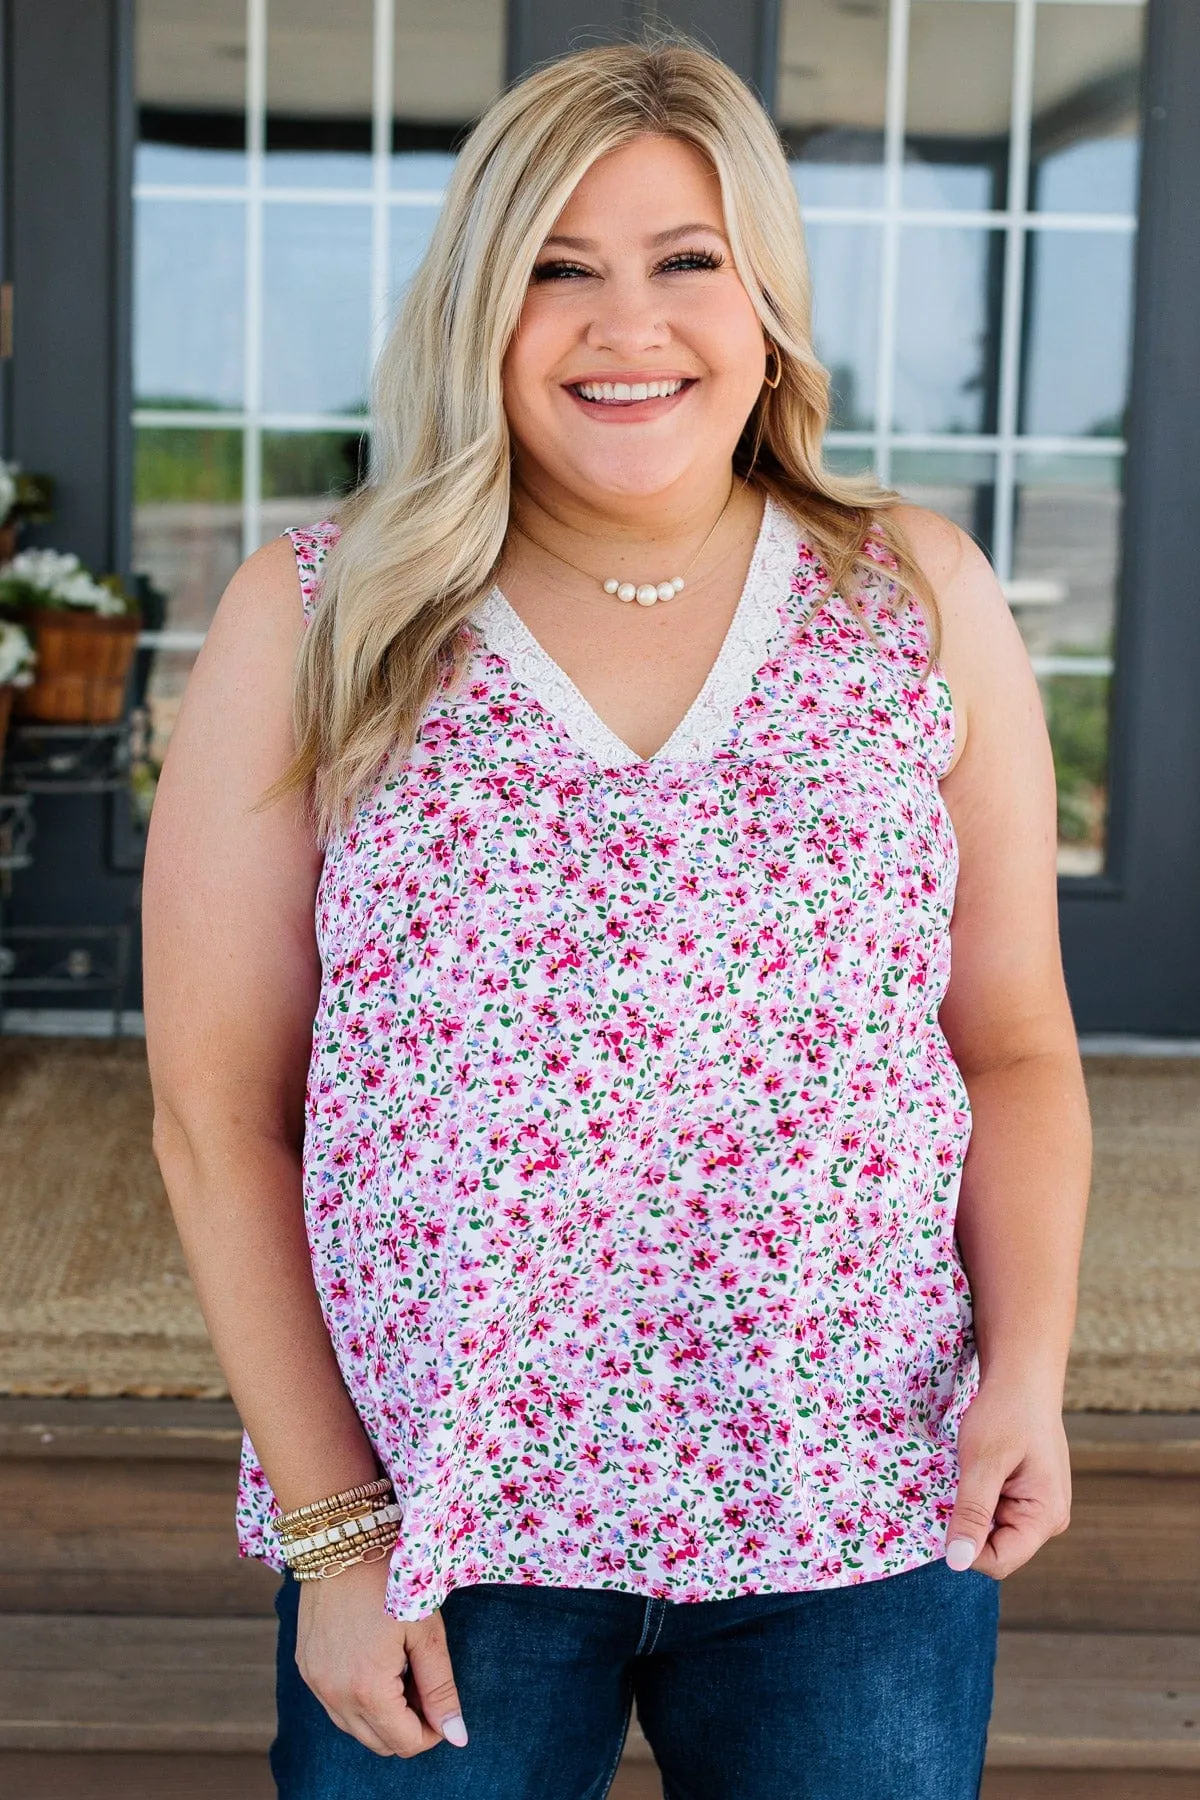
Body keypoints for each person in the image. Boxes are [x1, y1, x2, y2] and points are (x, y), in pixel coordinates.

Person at [142, 37, 1092, 1800]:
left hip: (858, 1509)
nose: (624, 324)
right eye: (556, 269)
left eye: (685, 261)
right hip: (450, 1522)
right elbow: (219, 1112)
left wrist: (1024, 1371)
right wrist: (341, 1539)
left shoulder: (912, 594)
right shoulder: (326, 613)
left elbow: (1015, 1043)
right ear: (479, 310)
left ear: (767, 302)